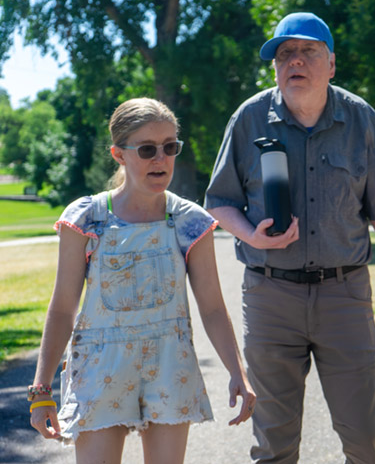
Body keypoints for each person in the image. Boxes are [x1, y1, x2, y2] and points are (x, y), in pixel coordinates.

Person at [204, 12, 375, 464]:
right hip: (270, 296)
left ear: (332, 64)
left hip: (345, 296)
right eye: (285, 54)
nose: (295, 61)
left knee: (366, 437)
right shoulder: (249, 118)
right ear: (276, 66)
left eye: (308, 52)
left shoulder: (361, 119)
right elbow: (219, 201)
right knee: (274, 444)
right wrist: (252, 237)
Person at [28, 98, 255, 463]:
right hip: (100, 368)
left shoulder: (189, 221)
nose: (161, 158)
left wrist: (237, 372)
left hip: (170, 364)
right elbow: (62, 309)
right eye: (147, 149)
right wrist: (41, 389)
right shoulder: (87, 219)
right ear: (119, 154)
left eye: (170, 147)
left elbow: (212, 307)